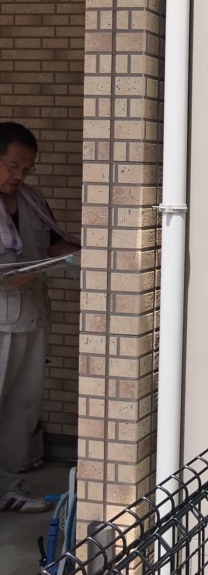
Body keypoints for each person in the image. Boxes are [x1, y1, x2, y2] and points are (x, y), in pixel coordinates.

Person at [0, 122, 80, 514]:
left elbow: (52, 244)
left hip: (31, 314)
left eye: (26, 169)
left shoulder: (32, 199)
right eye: (12, 166)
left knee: (23, 405)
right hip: (2, 316)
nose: (19, 176)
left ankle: (9, 486)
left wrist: (89, 250)